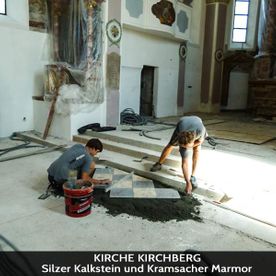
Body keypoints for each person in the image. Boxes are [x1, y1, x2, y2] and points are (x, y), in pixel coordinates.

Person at [150, 116, 207, 195]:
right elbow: (185, 163)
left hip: (197, 121)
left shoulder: (200, 130)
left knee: (197, 150)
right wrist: (187, 182)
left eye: (186, 146)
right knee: (171, 145)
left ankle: (193, 176)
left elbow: (201, 141)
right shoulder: (180, 132)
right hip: (183, 122)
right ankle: (159, 163)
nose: (185, 148)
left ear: (192, 141)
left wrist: (192, 146)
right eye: (182, 147)